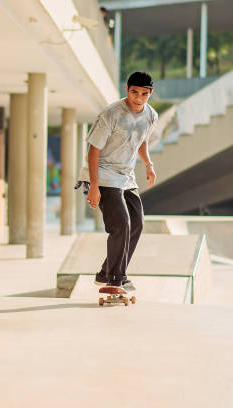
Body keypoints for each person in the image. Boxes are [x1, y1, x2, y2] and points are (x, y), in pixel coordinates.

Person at [75, 71, 158, 290]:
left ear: (150, 94)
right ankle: (115, 278)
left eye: (143, 94)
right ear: (127, 89)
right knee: (121, 224)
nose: (138, 98)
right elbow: (94, 150)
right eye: (134, 92)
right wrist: (93, 186)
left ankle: (107, 273)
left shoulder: (150, 115)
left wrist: (148, 164)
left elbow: (142, 141)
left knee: (137, 224)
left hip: (126, 177)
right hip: (102, 174)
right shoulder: (111, 114)